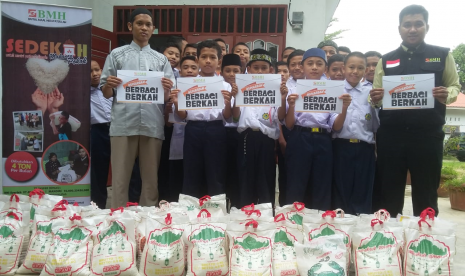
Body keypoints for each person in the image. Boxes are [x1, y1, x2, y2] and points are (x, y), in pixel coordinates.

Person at [370, 5, 461, 216]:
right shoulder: (386, 59)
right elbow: (375, 94)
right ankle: (388, 242)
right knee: (389, 193)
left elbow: (455, 85)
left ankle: (424, 242)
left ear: (426, 27)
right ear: (399, 28)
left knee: (427, 193)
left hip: (427, 135)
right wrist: (375, 99)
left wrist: (446, 94)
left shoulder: (442, 55)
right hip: (391, 136)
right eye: (407, 25)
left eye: (418, 24)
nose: (412, 29)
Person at [100, 8, 175, 208]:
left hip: (152, 124)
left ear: (153, 29)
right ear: (130, 26)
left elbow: (167, 98)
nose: (144, 28)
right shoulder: (116, 55)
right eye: (140, 23)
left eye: (148, 24)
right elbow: (106, 93)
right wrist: (110, 84)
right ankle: (118, 220)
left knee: (151, 180)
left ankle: (147, 221)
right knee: (120, 180)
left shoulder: (161, 60)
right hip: (123, 124)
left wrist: (168, 89)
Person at [284, 48, 351, 210]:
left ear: (325, 68)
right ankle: (292, 222)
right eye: (310, 63)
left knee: (321, 184)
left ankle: (319, 226)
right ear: (302, 66)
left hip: (323, 140)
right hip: (300, 137)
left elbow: (336, 126)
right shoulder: (293, 89)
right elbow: (289, 124)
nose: (314, 67)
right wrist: (292, 106)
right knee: (296, 183)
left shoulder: (334, 90)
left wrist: (344, 108)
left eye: (319, 64)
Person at [171, 40, 231, 198]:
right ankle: (190, 213)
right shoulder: (186, 85)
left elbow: (228, 116)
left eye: (213, 57)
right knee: (191, 172)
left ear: (219, 60)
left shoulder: (226, 87)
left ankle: (216, 212)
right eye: (204, 57)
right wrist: (177, 103)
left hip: (216, 129)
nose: (208, 61)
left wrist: (227, 102)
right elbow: (182, 116)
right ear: (197, 60)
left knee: (216, 172)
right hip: (193, 129)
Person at [232, 49, 288, 208]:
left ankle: (266, 217)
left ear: (271, 70)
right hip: (246, 138)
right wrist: (235, 97)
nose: (260, 71)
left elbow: (281, 116)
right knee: (246, 178)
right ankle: (245, 215)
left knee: (266, 179)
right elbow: (235, 117)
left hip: (267, 140)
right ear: (248, 70)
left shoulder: (275, 89)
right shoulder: (242, 87)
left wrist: (283, 99)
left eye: (264, 68)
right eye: (255, 67)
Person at [332, 52, 379, 215]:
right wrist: (343, 107)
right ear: (343, 68)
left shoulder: (371, 92)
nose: (355, 71)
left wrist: (377, 105)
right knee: (340, 189)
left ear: (366, 70)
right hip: (340, 147)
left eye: (360, 68)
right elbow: (335, 127)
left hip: (364, 148)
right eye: (351, 67)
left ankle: (360, 230)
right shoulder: (334, 89)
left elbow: (375, 126)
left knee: (363, 190)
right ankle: (340, 229)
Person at [167, 56, 199, 202]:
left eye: (193, 67)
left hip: (198, 135)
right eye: (185, 67)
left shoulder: (204, 87)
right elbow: (169, 121)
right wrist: (170, 105)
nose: (189, 71)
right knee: (178, 175)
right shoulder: (173, 89)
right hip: (179, 135)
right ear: (179, 71)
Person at [89, 60, 113, 208]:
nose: (95, 74)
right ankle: (99, 206)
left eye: (97, 70)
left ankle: (125, 204)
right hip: (97, 131)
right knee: (98, 170)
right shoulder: (81, 93)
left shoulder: (110, 88)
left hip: (117, 129)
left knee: (124, 168)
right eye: (90, 71)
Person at [220, 53, 242, 208]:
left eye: (236, 70)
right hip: (221, 133)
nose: (232, 74)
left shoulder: (248, 87)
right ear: (221, 72)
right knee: (221, 170)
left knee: (237, 171)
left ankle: (235, 205)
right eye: (228, 70)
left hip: (240, 135)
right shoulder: (217, 87)